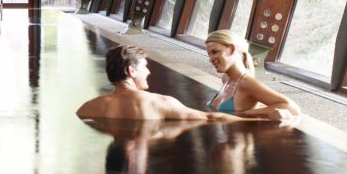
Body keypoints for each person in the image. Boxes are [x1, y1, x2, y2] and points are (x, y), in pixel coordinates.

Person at [77, 44, 241, 122]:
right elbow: (210, 118)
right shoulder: (160, 103)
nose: (148, 71)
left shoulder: (87, 108)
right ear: (131, 71)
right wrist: (255, 121)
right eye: (144, 67)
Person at [204, 29, 300, 121]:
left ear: (232, 49)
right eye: (209, 55)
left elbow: (292, 108)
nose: (210, 59)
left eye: (215, 52)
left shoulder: (246, 82)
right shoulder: (226, 78)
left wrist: (249, 113)